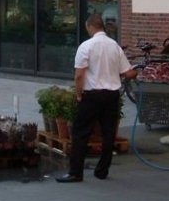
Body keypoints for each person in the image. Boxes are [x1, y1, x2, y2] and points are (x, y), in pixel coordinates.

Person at [56, 13, 137, 183]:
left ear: (90, 27)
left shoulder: (86, 46)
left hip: (92, 95)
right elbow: (127, 72)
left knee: (80, 132)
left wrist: (79, 94)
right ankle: (102, 170)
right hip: (112, 96)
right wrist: (135, 72)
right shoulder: (115, 46)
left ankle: (75, 172)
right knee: (108, 133)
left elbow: (79, 75)